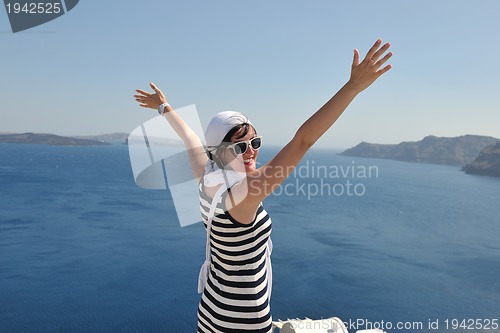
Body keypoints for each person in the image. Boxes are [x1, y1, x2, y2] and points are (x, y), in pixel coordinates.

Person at [134, 39, 393, 333]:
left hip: (211, 316)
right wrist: (352, 88)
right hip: (243, 325)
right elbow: (302, 140)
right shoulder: (242, 195)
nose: (251, 151)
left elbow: (191, 138)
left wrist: (163, 107)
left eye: (255, 142)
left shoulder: (207, 176)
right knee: (335, 327)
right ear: (219, 151)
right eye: (239, 146)